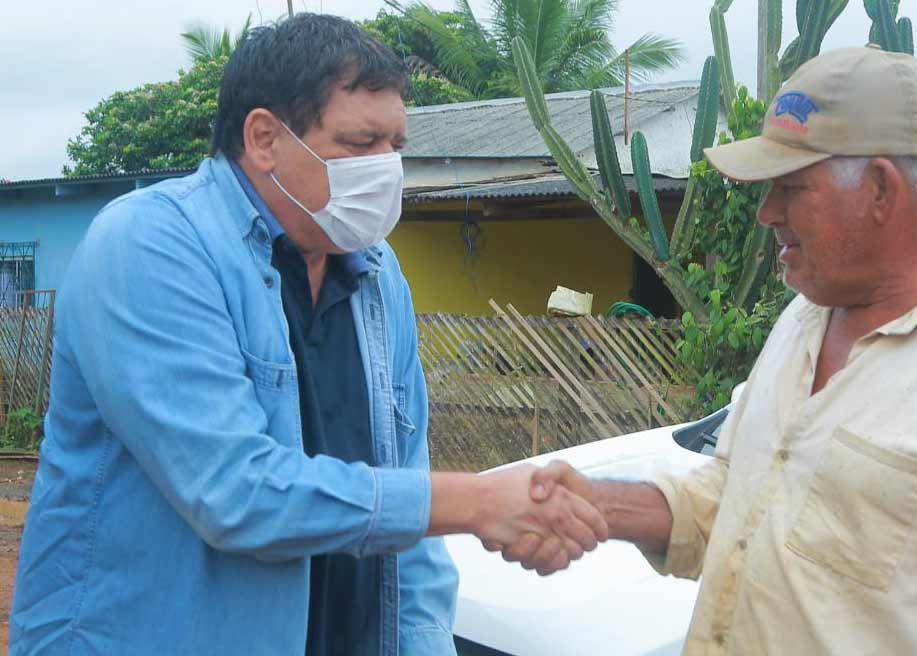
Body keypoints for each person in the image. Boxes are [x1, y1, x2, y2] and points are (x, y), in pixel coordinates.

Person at [10, 14, 605, 656]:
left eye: (395, 145)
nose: (386, 168)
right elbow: (236, 493)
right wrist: (478, 502)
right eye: (360, 143)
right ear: (265, 138)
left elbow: (408, 505)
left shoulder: (378, 275)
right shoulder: (150, 247)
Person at [503, 46, 917, 654]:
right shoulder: (804, 319)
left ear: (881, 189)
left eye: (791, 188)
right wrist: (598, 504)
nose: (766, 212)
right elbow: (734, 499)